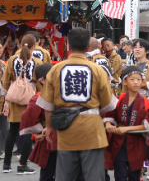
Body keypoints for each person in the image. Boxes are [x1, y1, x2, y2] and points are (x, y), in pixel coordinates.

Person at [37, 27, 117, 181]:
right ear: (88, 47)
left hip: (66, 129)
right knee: (94, 177)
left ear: (68, 45)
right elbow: (108, 104)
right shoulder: (98, 70)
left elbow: (47, 105)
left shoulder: (55, 70)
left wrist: (49, 126)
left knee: (65, 176)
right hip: (92, 128)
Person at [104, 66, 149, 181]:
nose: (136, 82)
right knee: (120, 176)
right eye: (132, 79)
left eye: (138, 79)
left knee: (134, 176)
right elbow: (108, 116)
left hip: (136, 143)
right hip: (119, 143)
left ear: (142, 81)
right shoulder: (118, 99)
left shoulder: (146, 102)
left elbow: (148, 126)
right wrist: (108, 124)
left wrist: (126, 129)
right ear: (124, 82)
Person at [1, 34, 42, 174]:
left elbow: (5, 82)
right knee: (27, 131)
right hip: (29, 99)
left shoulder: (11, 60)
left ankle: (6, 165)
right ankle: (22, 165)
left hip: (14, 99)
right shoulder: (36, 62)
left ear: (20, 45)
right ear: (33, 46)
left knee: (12, 130)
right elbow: (40, 83)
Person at [19, 63, 58, 180]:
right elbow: (28, 116)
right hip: (52, 137)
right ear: (43, 80)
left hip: (52, 136)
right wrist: (38, 132)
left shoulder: (40, 97)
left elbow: (27, 118)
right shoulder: (39, 98)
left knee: (50, 172)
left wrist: (36, 132)